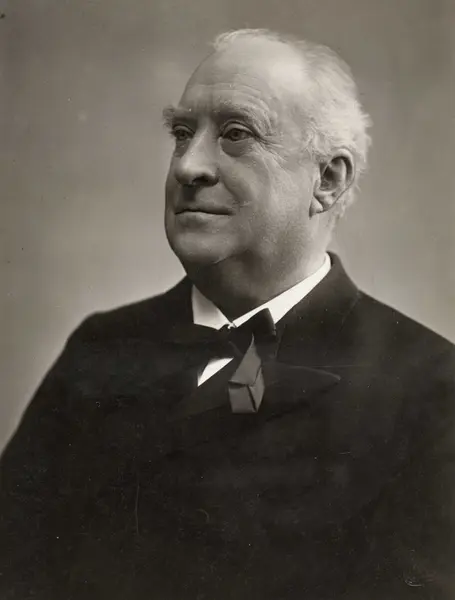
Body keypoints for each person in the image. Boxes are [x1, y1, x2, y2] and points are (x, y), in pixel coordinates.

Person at [1, 28, 454, 600]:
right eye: (181, 134)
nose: (188, 166)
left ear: (327, 180)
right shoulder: (101, 348)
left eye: (237, 134)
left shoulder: (432, 387)